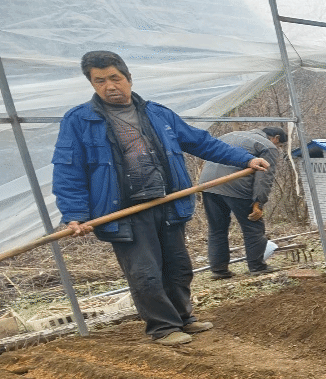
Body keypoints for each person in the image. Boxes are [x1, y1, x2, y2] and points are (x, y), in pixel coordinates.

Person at [52, 50, 271, 346]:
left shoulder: (157, 114)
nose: (109, 86)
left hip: (167, 203)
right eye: (100, 81)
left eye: (115, 78)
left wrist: (245, 159)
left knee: (178, 268)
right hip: (125, 212)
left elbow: (200, 142)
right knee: (146, 273)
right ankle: (163, 327)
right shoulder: (80, 120)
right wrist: (75, 214)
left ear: (129, 78)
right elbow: (68, 170)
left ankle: (184, 317)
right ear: (92, 84)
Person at [200, 126, 286, 279]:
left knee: (217, 228)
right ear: (276, 138)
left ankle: (219, 270)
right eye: (279, 145)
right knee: (253, 226)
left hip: (208, 184)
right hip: (235, 184)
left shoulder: (230, 135)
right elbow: (264, 177)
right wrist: (259, 202)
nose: (278, 148)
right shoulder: (268, 146)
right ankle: (257, 267)